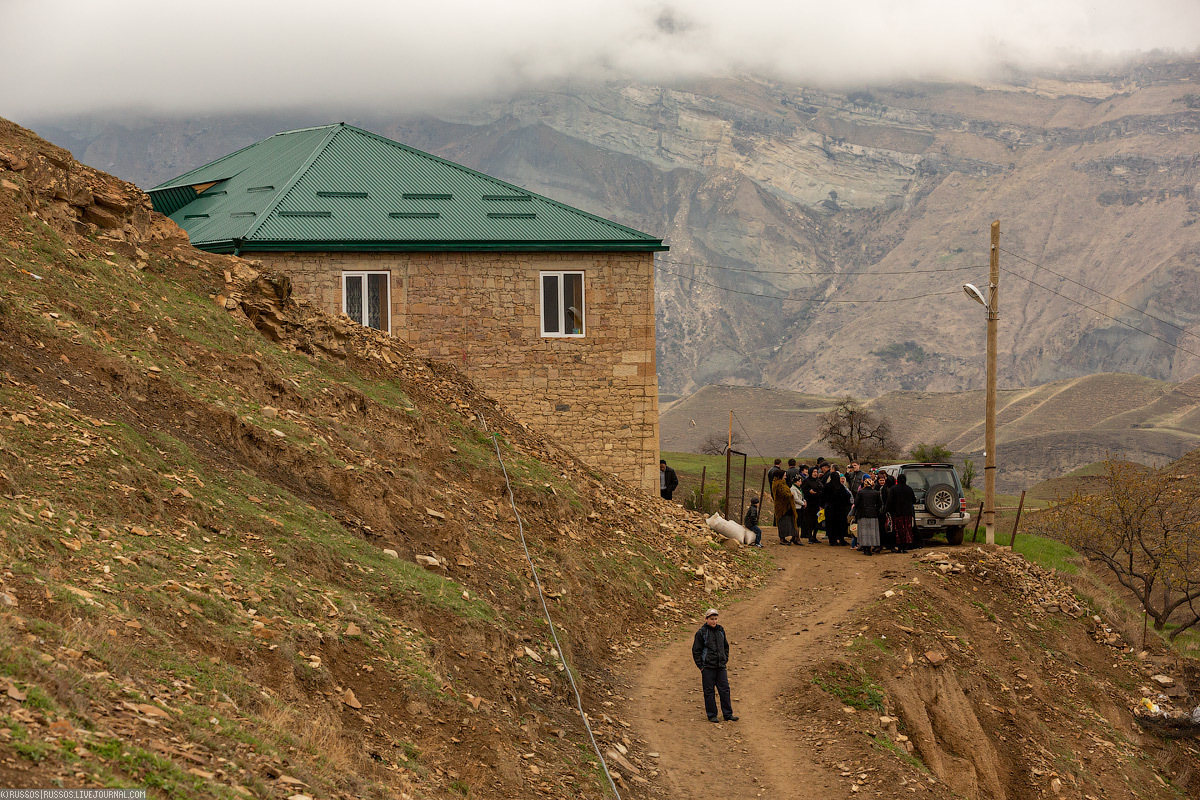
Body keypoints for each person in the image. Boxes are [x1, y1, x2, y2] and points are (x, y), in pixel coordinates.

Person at [692, 608, 737, 723]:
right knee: (709, 691)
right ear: (706, 619)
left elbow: (725, 646)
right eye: (712, 619)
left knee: (725, 690)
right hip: (708, 668)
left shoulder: (721, 630)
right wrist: (701, 666)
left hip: (721, 667)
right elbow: (696, 651)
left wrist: (724, 659)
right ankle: (712, 715)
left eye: (715, 619)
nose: (714, 621)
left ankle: (728, 714)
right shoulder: (701, 633)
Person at [887, 473, 917, 554]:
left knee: (899, 530)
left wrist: (888, 510)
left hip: (897, 513)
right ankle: (905, 547)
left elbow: (890, 501)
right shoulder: (909, 489)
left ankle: (900, 548)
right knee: (907, 529)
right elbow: (914, 500)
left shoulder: (893, 489)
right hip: (907, 513)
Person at [854, 474, 884, 555]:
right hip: (873, 515)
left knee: (864, 532)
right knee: (872, 532)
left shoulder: (860, 493)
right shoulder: (876, 493)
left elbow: (856, 503)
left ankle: (865, 548)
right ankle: (870, 547)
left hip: (862, 514)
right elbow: (880, 504)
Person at [823, 471, 853, 545]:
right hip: (840, 510)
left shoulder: (827, 486)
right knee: (841, 525)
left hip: (830, 509)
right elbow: (847, 496)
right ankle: (841, 539)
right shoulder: (841, 487)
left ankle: (832, 540)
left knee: (831, 525)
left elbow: (823, 497)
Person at [772, 474, 800, 545]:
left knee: (792, 522)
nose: (785, 476)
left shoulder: (783, 484)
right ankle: (783, 539)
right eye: (784, 475)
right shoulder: (778, 485)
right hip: (782, 508)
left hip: (788, 507)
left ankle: (795, 537)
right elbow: (783, 494)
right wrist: (791, 494)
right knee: (783, 523)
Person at [799, 467, 822, 543]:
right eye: (814, 472)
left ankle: (814, 536)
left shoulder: (818, 481)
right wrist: (809, 492)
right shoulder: (806, 481)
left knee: (816, 521)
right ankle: (809, 537)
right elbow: (802, 491)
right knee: (809, 521)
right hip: (809, 504)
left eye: (816, 472)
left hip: (817, 504)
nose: (815, 473)